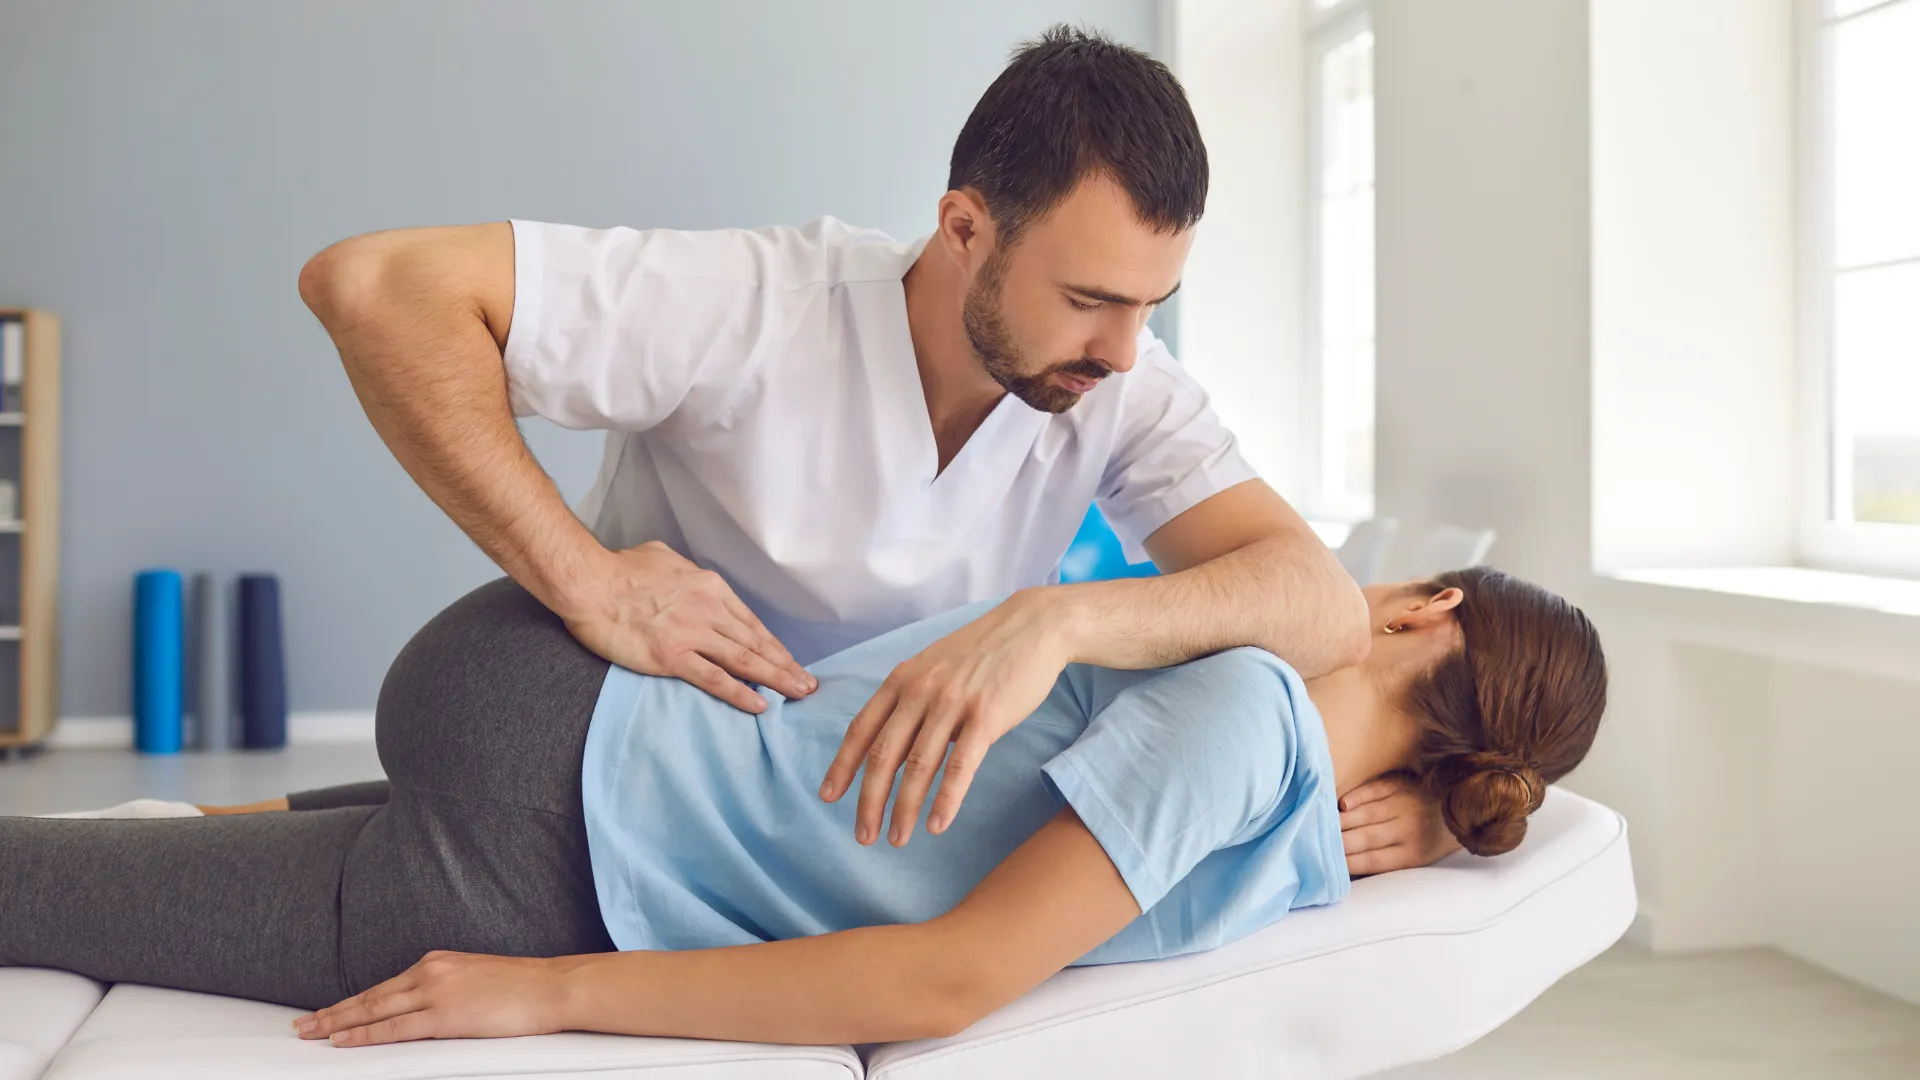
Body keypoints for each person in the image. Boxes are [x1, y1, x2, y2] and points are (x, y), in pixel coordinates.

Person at [294, 26, 1455, 872]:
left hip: (842, 814)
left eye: (1155, 303)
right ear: (963, 228)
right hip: (613, 755)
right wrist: (585, 579)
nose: (1125, 347)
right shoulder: (756, 302)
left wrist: (1053, 621)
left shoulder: (1120, 379)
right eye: (1092, 297)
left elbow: (1315, 601)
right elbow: (376, 288)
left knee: (338, 827)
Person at [1, 566, 1607, 1048]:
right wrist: (544, 984)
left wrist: (552, 991)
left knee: (72, 875)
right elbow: (949, 971)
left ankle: (248, 825)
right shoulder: (1255, 738)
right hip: (543, 816)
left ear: (1422, 607)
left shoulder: (1246, 719)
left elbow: (943, 973)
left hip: (550, 737)